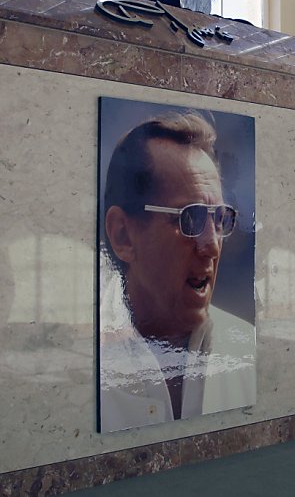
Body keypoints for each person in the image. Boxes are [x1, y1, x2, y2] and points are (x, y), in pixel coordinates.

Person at [99, 111, 255, 432]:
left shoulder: (247, 351)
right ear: (123, 235)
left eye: (220, 219)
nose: (211, 245)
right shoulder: (80, 363)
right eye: (190, 219)